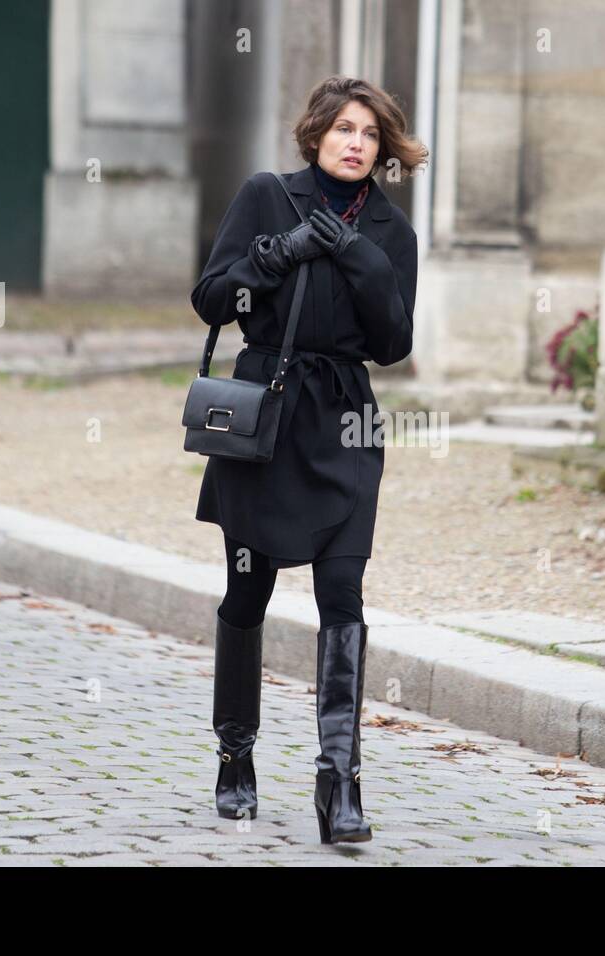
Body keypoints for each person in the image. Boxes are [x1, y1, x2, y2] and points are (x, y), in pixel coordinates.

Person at [190, 75, 427, 844]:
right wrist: (279, 254)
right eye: (345, 129)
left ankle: (340, 784)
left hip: (346, 422)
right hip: (266, 421)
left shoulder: (390, 232)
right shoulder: (269, 196)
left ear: (382, 149)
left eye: (370, 134)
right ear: (317, 133)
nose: (357, 143)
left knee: (344, 598)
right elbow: (212, 298)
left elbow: (394, 343)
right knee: (247, 593)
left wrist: (356, 253)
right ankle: (234, 758)